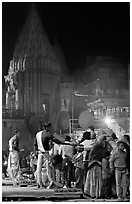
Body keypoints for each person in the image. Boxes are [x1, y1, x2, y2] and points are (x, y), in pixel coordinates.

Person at [34, 122, 61, 189]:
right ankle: (51, 182)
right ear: (47, 127)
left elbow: (35, 144)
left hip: (39, 153)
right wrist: (61, 142)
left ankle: (39, 183)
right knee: (48, 168)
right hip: (45, 153)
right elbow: (54, 140)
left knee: (38, 170)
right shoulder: (47, 134)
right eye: (49, 127)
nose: (50, 129)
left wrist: (35, 152)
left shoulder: (38, 134)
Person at [84, 134, 109, 198]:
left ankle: (96, 193)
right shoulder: (97, 146)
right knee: (96, 181)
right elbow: (98, 155)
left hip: (96, 165)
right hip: (95, 165)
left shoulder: (97, 146)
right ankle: (95, 193)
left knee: (96, 181)